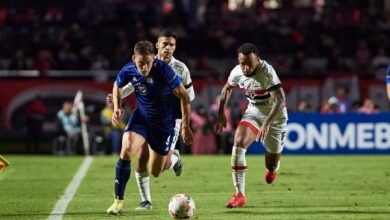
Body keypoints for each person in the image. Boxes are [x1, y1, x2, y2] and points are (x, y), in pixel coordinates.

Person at [106, 29, 195, 210]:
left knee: (157, 171)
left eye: (172, 44)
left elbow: (187, 97)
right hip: (142, 117)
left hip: (167, 121)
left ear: (153, 58)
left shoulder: (173, 70)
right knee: (129, 151)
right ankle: (122, 201)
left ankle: (174, 158)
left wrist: (184, 125)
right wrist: (117, 105)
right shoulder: (132, 67)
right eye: (165, 44)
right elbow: (123, 84)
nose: (144, 68)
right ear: (157, 46)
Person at [215, 43, 288, 208]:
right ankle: (239, 195)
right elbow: (227, 89)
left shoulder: (267, 72)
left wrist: (267, 123)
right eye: (242, 63)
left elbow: (281, 101)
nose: (246, 68)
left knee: (271, 165)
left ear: (258, 60)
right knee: (238, 143)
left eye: (250, 63)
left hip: (275, 117)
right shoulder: (237, 72)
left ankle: (272, 169)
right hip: (254, 111)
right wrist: (220, 112)